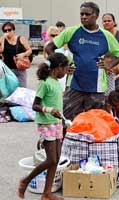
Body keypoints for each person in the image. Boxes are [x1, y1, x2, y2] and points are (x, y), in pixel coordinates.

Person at [45, 2, 119, 122]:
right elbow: (49, 48)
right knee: (67, 121)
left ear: (96, 16)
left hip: (96, 88)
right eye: (81, 14)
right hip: (74, 86)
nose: (83, 16)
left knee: (95, 123)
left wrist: (110, 64)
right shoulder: (71, 31)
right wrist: (62, 66)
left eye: (87, 14)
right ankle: (67, 141)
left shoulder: (106, 36)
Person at [17, 53, 69, 200]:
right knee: (51, 159)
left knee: (57, 158)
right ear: (58, 68)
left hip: (56, 123)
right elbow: (35, 105)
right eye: (65, 69)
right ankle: (25, 180)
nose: (66, 72)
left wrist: (62, 119)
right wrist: (49, 110)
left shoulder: (56, 82)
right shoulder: (45, 83)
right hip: (46, 123)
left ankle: (47, 193)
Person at [0, 22, 32, 87]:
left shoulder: (20, 38)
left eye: (9, 29)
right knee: (10, 90)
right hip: (8, 70)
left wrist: (23, 54)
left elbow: (29, 50)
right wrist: (2, 39)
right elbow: (1, 51)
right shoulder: (2, 39)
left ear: (14, 30)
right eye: (5, 30)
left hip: (20, 68)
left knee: (22, 89)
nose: (7, 32)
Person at [102, 12, 119, 86]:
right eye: (104, 21)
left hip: (115, 70)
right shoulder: (101, 35)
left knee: (113, 95)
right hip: (103, 70)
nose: (107, 22)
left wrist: (114, 67)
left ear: (114, 22)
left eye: (109, 21)